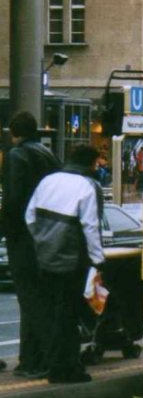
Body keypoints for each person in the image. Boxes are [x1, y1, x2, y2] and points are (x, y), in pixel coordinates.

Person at [25, 145, 106, 384]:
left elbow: (30, 216)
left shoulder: (47, 181)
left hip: (45, 257)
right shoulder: (88, 187)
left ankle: (54, 365)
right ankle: (69, 368)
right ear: (90, 164)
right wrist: (98, 258)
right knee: (70, 315)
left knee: (53, 313)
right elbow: (91, 226)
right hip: (72, 260)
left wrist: (42, 240)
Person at [0, 111, 61, 378]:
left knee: (30, 298)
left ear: (13, 133)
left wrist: (6, 231)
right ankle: (30, 358)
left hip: (24, 236)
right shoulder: (48, 154)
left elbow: (14, 200)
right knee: (40, 297)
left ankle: (41, 359)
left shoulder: (17, 155)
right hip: (48, 235)